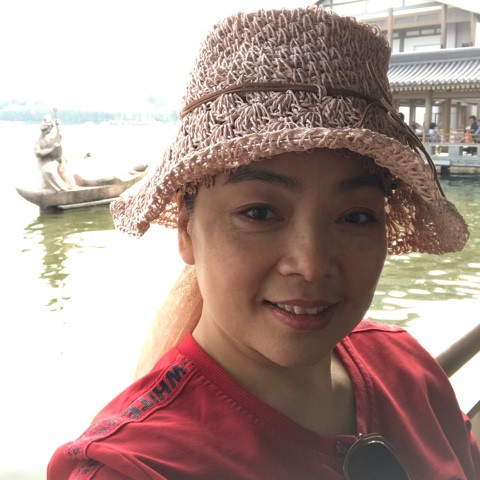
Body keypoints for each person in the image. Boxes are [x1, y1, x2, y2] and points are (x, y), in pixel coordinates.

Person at [48, 7, 479, 480]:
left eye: (355, 216)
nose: (311, 264)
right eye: (259, 213)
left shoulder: (408, 369)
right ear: (186, 230)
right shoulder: (137, 467)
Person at [34, 112, 76, 191]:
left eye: (50, 129)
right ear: (44, 130)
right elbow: (38, 153)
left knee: (63, 169)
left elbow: (58, 138)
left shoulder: (49, 139)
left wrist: (58, 126)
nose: (49, 131)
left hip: (52, 160)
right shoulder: (38, 142)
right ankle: (55, 189)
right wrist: (51, 150)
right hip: (44, 162)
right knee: (48, 172)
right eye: (48, 129)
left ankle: (64, 187)